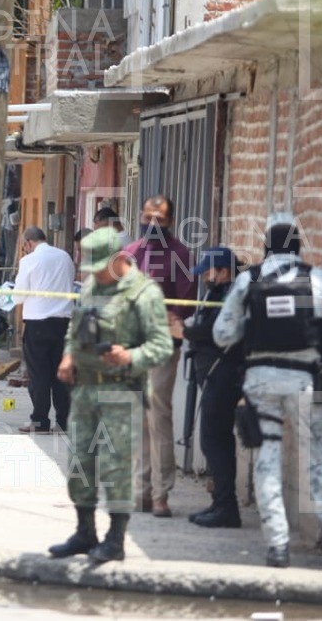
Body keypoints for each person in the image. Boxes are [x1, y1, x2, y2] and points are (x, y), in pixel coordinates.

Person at [213, 212, 322, 570]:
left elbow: (222, 335)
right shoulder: (318, 279)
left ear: (265, 245)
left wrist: (253, 324)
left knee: (267, 460)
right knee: (319, 458)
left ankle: (278, 547)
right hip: (308, 381)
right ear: (297, 245)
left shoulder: (249, 280)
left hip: (261, 381)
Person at [48, 227, 174, 562]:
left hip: (121, 391)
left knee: (117, 467)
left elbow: (162, 346)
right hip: (86, 388)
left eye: (101, 266)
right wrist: (69, 355)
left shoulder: (144, 294)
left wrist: (131, 356)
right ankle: (84, 531)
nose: (96, 274)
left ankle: (115, 539)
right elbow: (75, 330)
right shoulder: (91, 288)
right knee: (79, 461)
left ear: (120, 259)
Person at [123, 194, 196, 517]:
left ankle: (161, 494)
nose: (153, 223)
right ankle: (140, 491)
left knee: (158, 415)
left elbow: (188, 302)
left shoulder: (180, 254)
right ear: (141, 216)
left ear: (170, 221)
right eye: (148, 217)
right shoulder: (130, 254)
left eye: (160, 219)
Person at [183, 245, 246, 529]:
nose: (205, 277)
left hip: (223, 374)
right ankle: (221, 504)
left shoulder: (230, 294)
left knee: (214, 439)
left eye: (208, 271)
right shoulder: (219, 291)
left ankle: (226, 507)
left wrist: (182, 331)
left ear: (222, 271)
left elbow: (214, 332)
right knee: (216, 439)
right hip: (215, 374)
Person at [12, 226, 76, 433]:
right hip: (63, 323)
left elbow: (18, 296)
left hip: (38, 323)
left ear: (28, 243)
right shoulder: (65, 257)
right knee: (61, 373)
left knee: (39, 373)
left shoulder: (28, 261)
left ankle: (39, 421)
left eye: (24, 247)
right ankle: (64, 420)